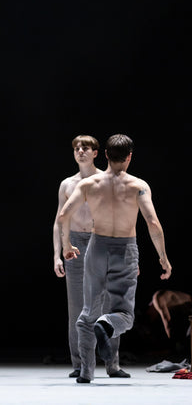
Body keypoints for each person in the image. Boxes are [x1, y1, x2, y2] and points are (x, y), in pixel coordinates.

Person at [58, 134, 172, 383]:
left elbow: (63, 215)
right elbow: (152, 222)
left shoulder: (89, 183)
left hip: (96, 247)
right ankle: (107, 322)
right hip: (124, 248)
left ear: (106, 155)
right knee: (124, 315)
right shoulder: (138, 185)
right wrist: (163, 258)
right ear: (130, 156)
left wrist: (66, 245)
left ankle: (86, 372)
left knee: (87, 313)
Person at [51, 135, 129, 378]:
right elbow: (58, 221)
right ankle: (80, 364)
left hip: (102, 241)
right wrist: (57, 255)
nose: (81, 151)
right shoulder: (66, 184)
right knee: (77, 307)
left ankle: (112, 363)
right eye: (76, 148)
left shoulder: (105, 180)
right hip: (74, 243)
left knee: (109, 304)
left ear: (97, 152)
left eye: (85, 147)